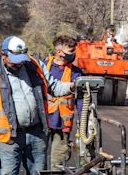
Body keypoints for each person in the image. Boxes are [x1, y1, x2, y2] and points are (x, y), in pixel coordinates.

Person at [0, 36, 75, 175]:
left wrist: (73, 86)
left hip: (37, 135)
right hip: (8, 139)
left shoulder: (35, 65)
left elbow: (54, 86)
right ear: (3, 55)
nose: (20, 63)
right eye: (15, 61)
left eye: (22, 59)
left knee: (39, 172)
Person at [44, 35, 83, 170]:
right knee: (40, 161)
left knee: (58, 163)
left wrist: (83, 123)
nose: (74, 54)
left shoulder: (76, 72)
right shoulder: (44, 68)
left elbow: (81, 99)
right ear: (59, 52)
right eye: (71, 51)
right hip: (43, 123)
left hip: (63, 125)